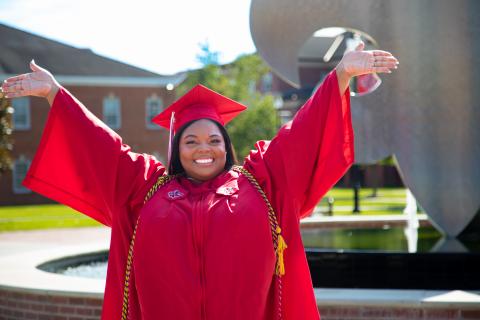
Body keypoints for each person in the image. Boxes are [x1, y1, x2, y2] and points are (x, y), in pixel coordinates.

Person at [1, 42, 398, 320]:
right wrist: (56, 95)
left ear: (226, 145)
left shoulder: (262, 182)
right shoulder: (144, 188)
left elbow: (303, 132)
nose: (202, 148)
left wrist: (341, 75)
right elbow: (100, 145)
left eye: (213, 139)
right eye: (190, 140)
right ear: (177, 148)